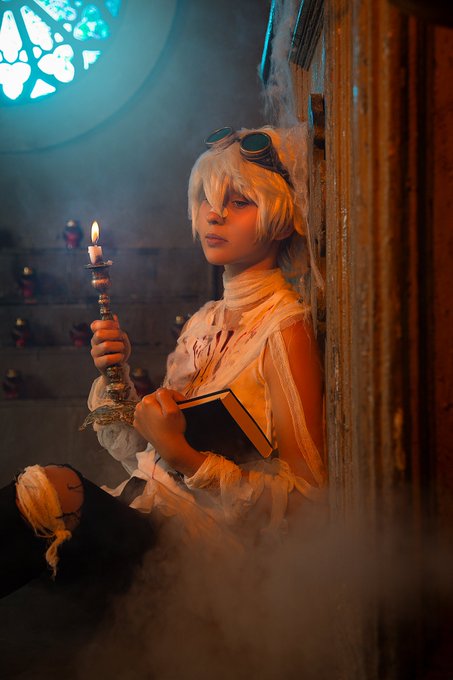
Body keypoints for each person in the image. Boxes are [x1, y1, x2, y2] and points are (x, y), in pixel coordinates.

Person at [1, 125, 326, 598]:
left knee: (49, 492)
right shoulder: (203, 321)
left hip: (202, 555)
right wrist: (116, 376)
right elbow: (142, 448)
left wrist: (185, 458)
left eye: (239, 202)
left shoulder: (285, 329)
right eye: (206, 199)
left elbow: (310, 501)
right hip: (142, 514)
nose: (214, 214)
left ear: (280, 215)